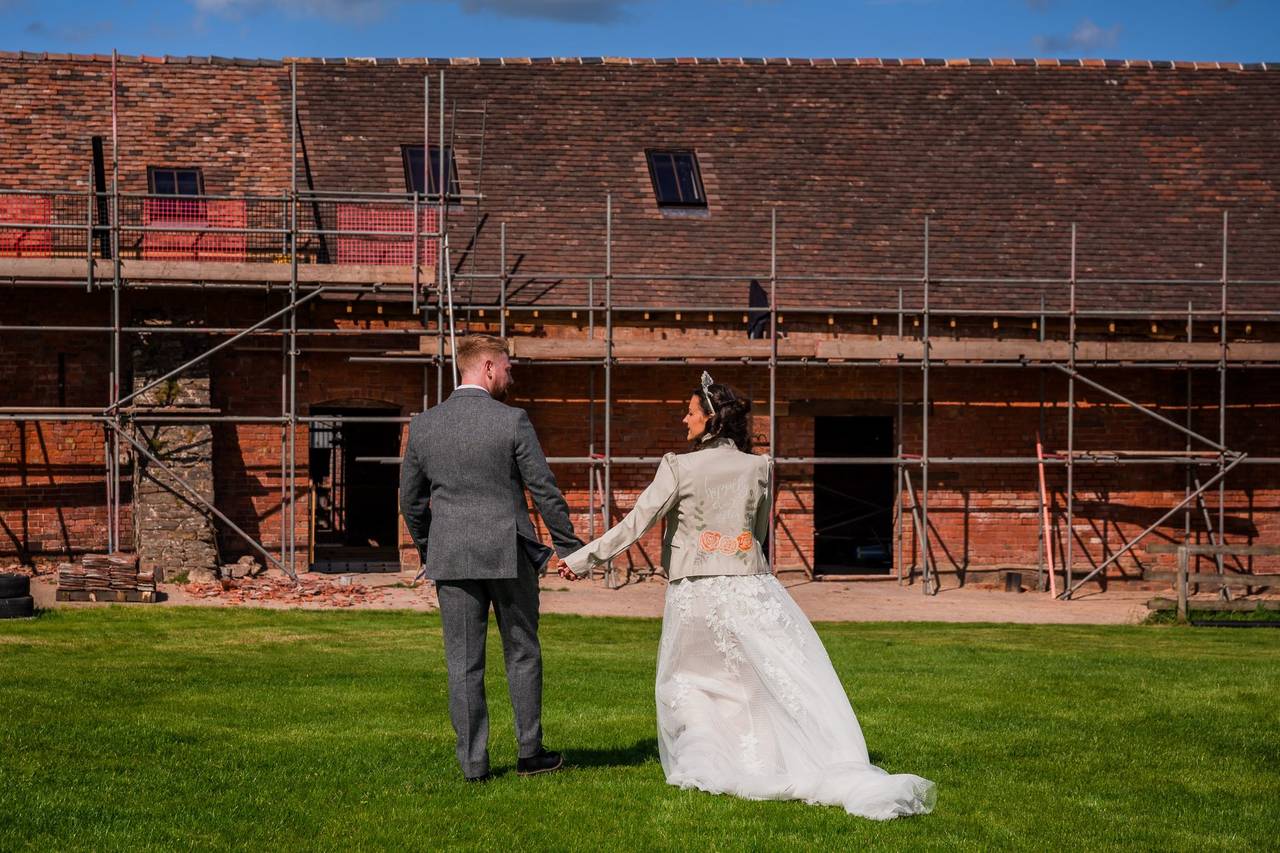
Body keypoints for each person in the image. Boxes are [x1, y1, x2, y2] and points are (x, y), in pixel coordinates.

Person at [556, 373, 936, 820]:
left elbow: (637, 522)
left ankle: (711, 760)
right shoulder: (761, 467)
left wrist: (582, 559)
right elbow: (757, 536)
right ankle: (760, 758)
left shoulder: (678, 466)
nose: (684, 419)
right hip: (751, 585)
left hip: (696, 592)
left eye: (691, 412)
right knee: (752, 684)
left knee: (689, 681)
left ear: (711, 420)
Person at [400, 334, 583, 783]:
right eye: (506, 366)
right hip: (509, 555)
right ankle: (529, 753)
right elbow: (544, 489)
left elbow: (410, 501)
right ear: (485, 367)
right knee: (522, 653)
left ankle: (474, 767)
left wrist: (431, 548)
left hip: (453, 558)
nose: (510, 374)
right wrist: (572, 548)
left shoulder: (424, 425)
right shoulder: (513, 421)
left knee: (463, 664)